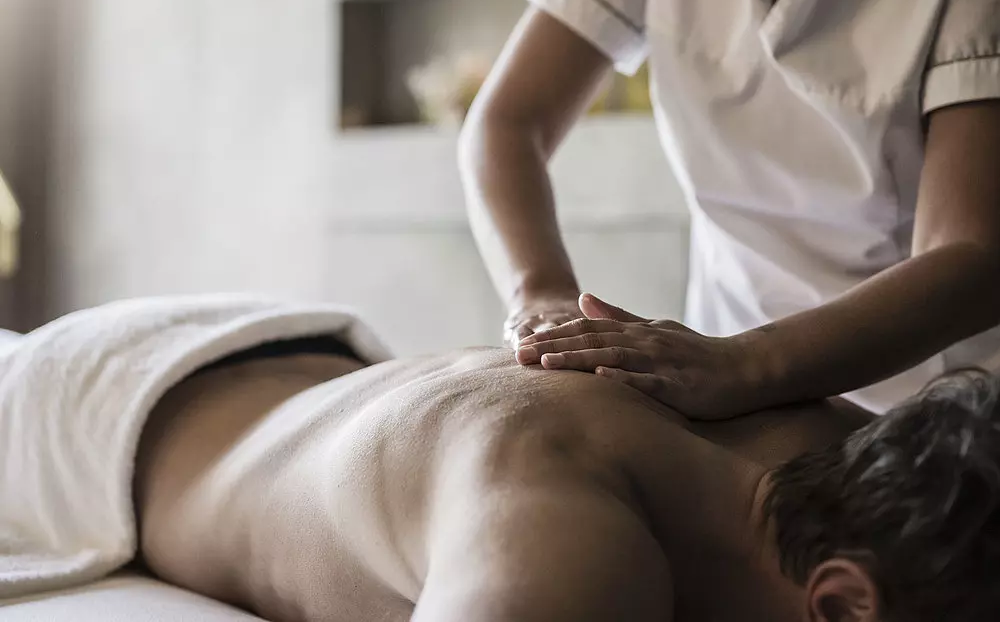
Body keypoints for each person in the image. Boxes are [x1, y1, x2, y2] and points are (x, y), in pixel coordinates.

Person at [458, 0, 1000, 417]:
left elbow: (970, 257)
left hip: (919, 404)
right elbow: (506, 123)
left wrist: (746, 364)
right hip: (719, 381)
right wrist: (541, 293)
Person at [133, 335, 1000, 622]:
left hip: (305, 360)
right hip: (117, 416)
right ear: (844, 607)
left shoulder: (841, 436)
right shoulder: (562, 562)